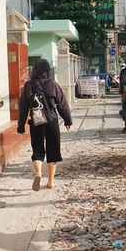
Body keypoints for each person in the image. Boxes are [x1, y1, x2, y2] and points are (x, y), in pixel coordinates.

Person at [17, 59, 73, 191]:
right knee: (53, 150)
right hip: (52, 120)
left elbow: (23, 107)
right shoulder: (52, 84)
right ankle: (51, 182)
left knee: (37, 150)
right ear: (48, 70)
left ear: (34, 70)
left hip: (36, 121)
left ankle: (38, 174)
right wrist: (67, 120)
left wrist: (21, 126)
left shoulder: (28, 86)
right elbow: (62, 103)